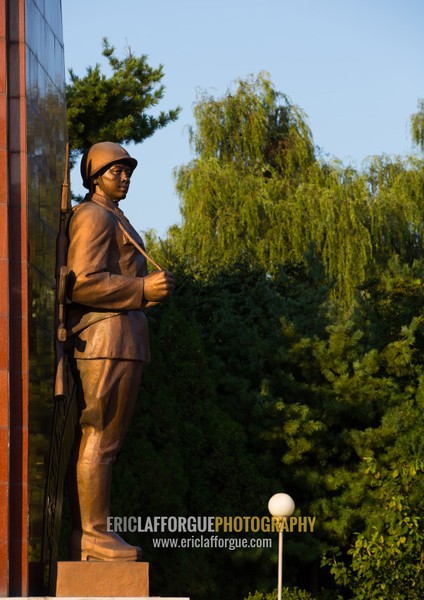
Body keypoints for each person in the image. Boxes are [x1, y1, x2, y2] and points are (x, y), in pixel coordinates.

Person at [66, 141, 174, 561]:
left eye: (128, 171)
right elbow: (82, 282)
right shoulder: (92, 215)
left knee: (109, 442)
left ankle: (95, 530)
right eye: (116, 171)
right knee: (100, 437)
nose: (125, 177)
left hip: (125, 339)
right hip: (106, 340)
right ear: (94, 176)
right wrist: (142, 289)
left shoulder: (115, 215)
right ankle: (92, 535)